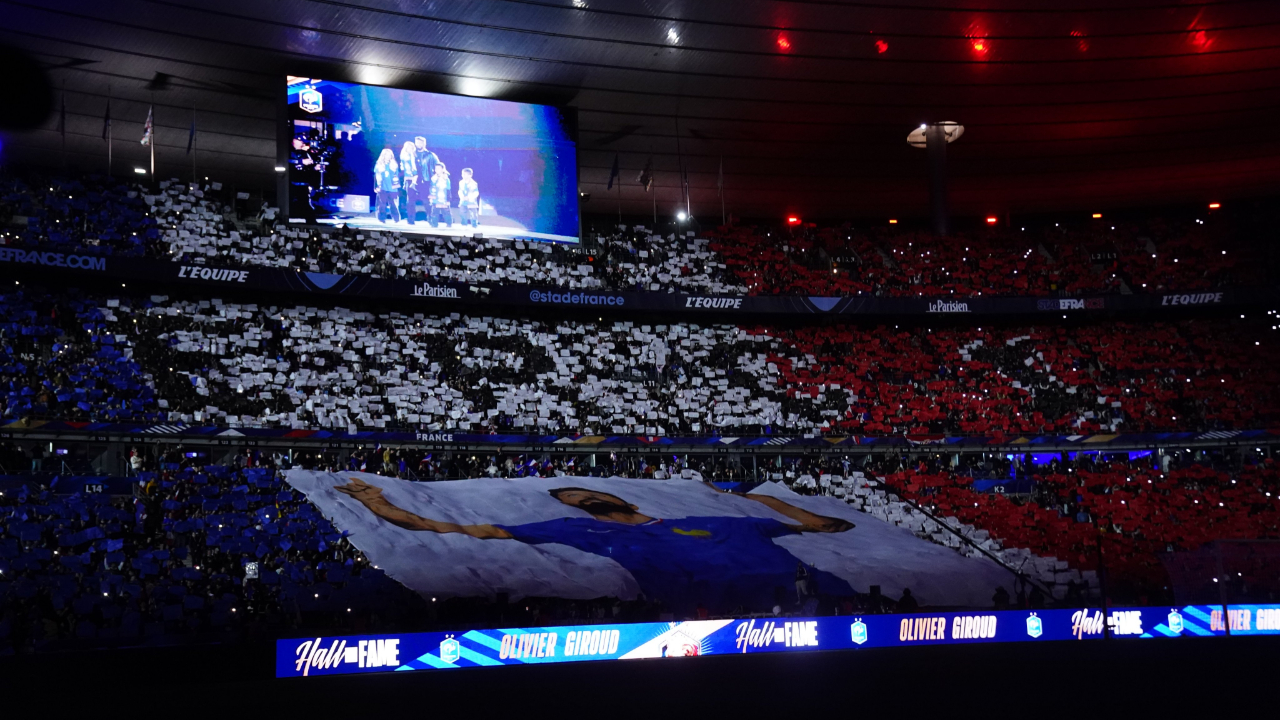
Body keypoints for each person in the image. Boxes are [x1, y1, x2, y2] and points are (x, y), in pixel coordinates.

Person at [334, 478, 857, 612]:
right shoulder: (579, 532)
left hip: (825, 604)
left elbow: (831, 528)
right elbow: (466, 531)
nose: (581, 499)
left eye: (584, 493)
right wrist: (381, 506)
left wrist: (760, 499)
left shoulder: (715, 517)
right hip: (699, 623)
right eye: (573, 498)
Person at [373, 148, 400, 223]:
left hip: (393, 189)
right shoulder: (379, 165)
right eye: (386, 155)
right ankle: (382, 219)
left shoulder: (394, 165)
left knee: (393, 204)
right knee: (382, 204)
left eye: (389, 155)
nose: (388, 157)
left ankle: (396, 219)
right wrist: (375, 187)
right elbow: (376, 176)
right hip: (382, 188)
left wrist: (397, 189)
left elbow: (397, 177)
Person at [397, 141, 419, 225]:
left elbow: (416, 170)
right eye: (408, 147)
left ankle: (411, 219)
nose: (410, 149)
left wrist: (414, 179)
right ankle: (409, 218)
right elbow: (404, 170)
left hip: (415, 180)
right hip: (407, 180)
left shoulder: (414, 157)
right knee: (408, 200)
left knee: (411, 200)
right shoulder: (404, 157)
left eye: (411, 147)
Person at [429, 163, 452, 228]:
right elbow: (431, 188)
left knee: (446, 212)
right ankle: (434, 224)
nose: (437, 170)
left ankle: (449, 224)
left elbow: (448, 189)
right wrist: (431, 198)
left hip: (444, 198)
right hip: (435, 198)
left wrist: (448, 200)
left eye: (438, 168)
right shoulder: (433, 178)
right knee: (434, 212)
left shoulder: (446, 178)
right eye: (436, 168)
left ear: (442, 169)